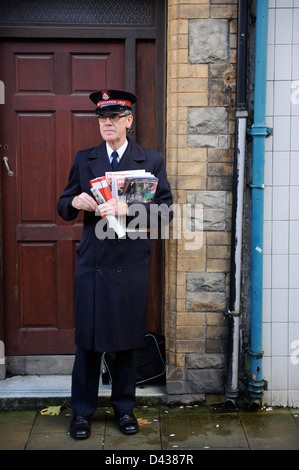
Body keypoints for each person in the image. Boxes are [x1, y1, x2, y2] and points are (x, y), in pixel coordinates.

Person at [57, 89, 173, 439]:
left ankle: (124, 409)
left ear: (128, 121)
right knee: (89, 343)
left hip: (131, 262)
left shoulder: (149, 160)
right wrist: (75, 200)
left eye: (113, 117)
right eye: (101, 118)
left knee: (126, 341)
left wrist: (128, 209)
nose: (106, 123)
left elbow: (166, 214)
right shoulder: (85, 159)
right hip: (93, 263)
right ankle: (82, 413)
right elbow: (63, 205)